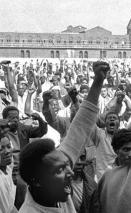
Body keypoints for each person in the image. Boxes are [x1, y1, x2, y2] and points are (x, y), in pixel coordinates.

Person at [17, 61, 109, 213]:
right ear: (37, 181)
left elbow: (82, 124)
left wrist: (98, 80)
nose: (71, 172)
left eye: (67, 165)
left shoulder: (55, 168)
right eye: (60, 170)